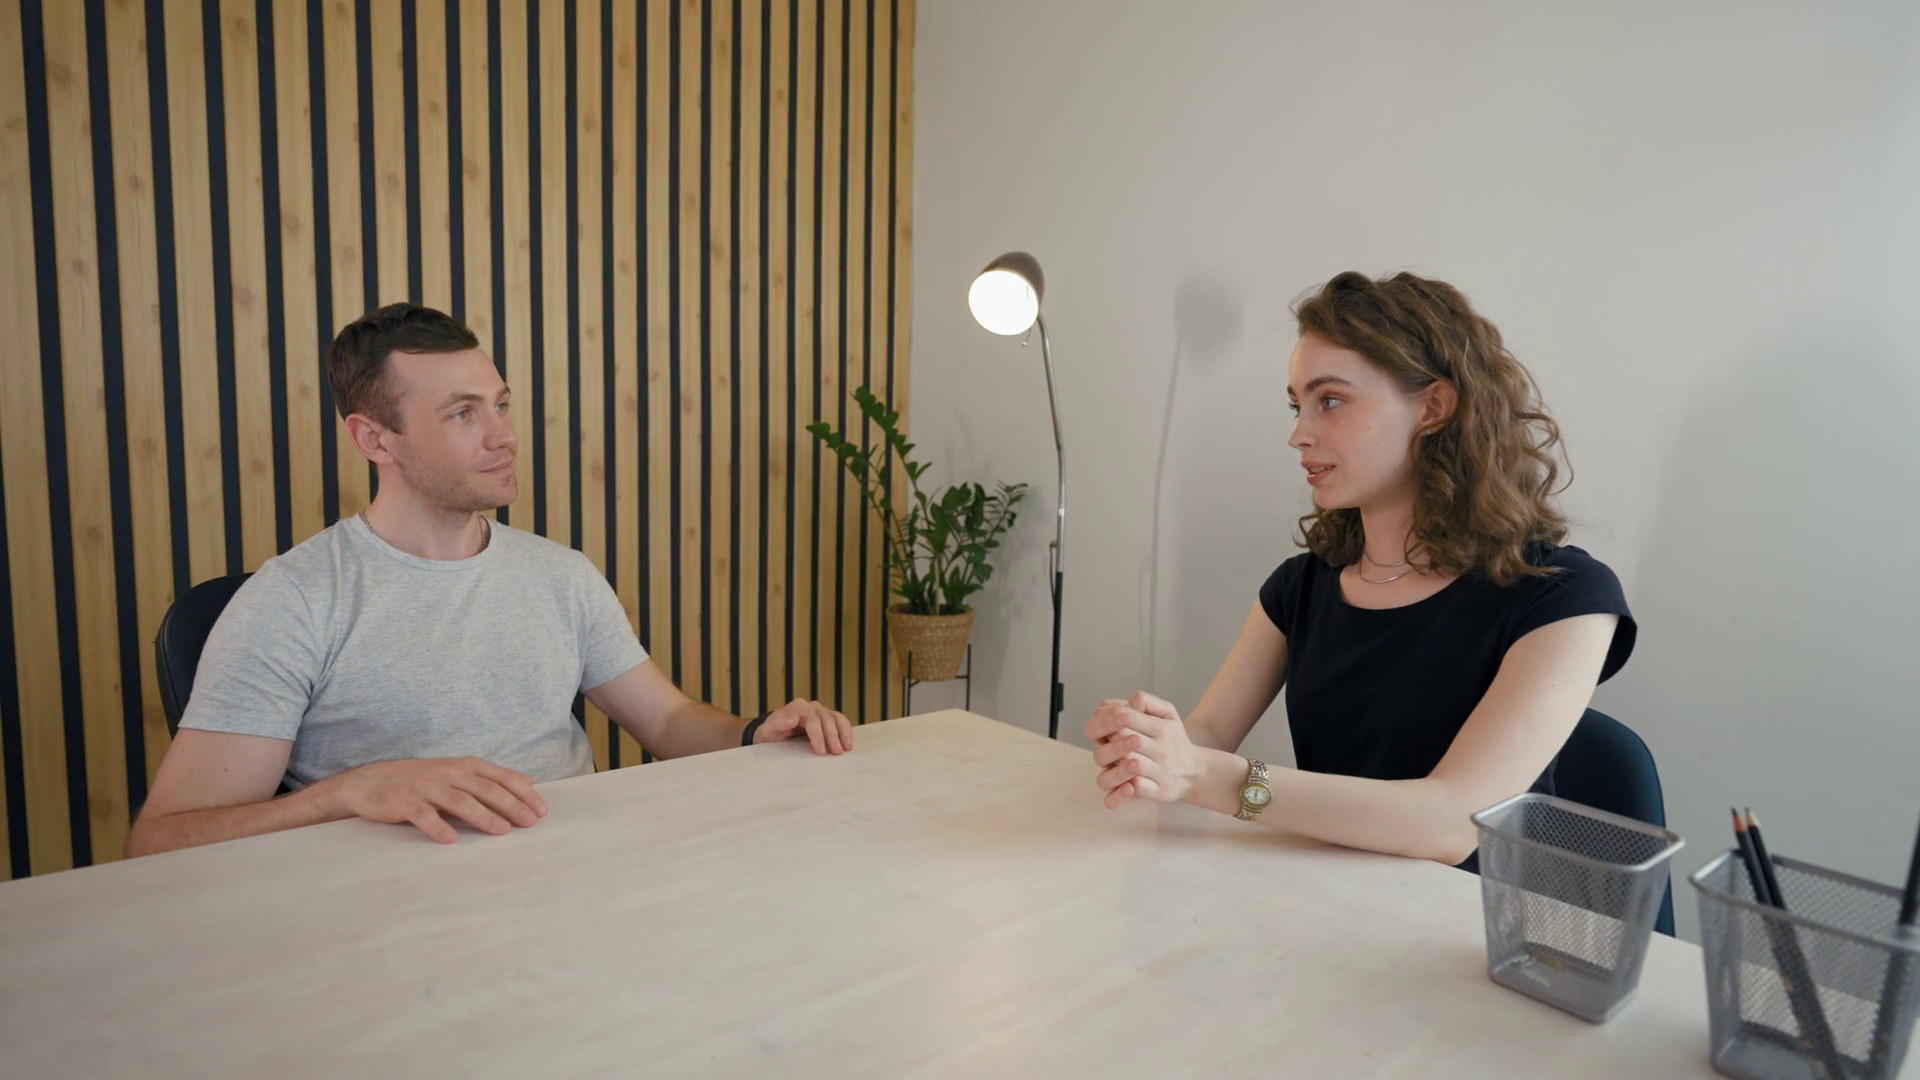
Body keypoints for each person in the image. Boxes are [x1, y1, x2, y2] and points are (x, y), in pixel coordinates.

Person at [128, 303, 852, 857]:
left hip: (585, 877)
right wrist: (347, 794)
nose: (504, 435)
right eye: (462, 414)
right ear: (374, 438)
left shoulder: (561, 575)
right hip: (397, 922)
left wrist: (755, 732)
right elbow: (159, 841)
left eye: (500, 404)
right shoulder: (293, 601)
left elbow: (666, 721)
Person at [1088, 271, 1634, 866]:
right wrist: (1147, 745)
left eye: (1330, 401)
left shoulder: (1565, 599)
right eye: (1297, 406)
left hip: (1476, 917)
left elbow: (1454, 822)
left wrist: (1206, 776)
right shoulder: (1298, 588)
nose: (1299, 434)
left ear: (1434, 407)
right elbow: (1211, 736)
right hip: (1328, 896)